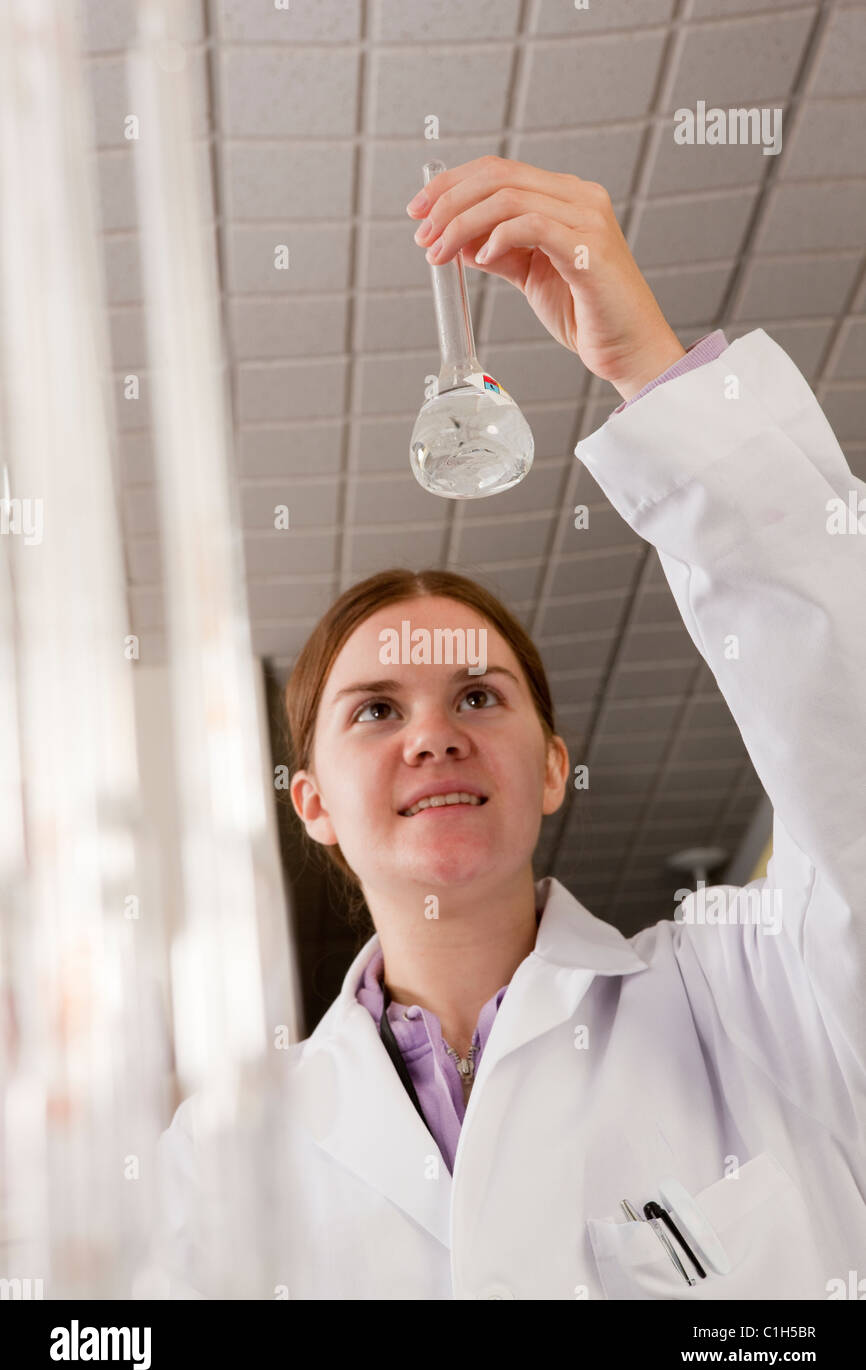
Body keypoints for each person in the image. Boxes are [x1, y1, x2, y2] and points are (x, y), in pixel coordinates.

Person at [154, 157, 866, 1300]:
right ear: (314, 801)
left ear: (549, 767)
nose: (430, 736)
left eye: (476, 695)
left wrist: (650, 373)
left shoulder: (758, 993)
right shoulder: (220, 1158)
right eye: (375, 709)